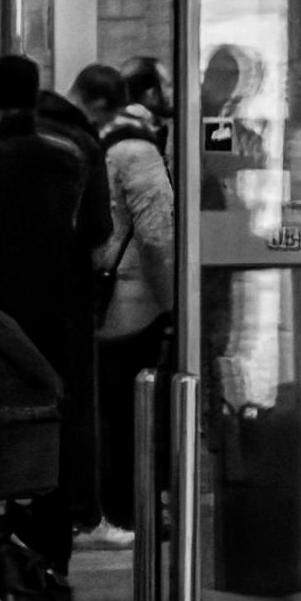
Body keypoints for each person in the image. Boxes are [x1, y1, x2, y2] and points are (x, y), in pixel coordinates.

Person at [0, 47, 107, 574]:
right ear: (36, 94)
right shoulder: (74, 152)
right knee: (53, 429)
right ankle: (53, 563)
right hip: (62, 314)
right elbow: (98, 231)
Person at [82, 68, 182, 549]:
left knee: (104, 409)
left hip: (90, 302)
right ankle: (132, 508)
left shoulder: (85, 144)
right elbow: (157, 234)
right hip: (132, 303)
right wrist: (173, 304)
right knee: (137, 412)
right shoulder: (137, 153)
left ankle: (105, 503)